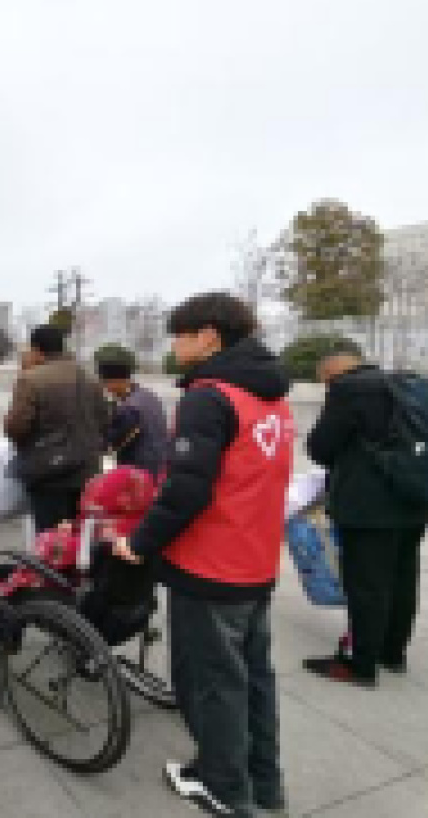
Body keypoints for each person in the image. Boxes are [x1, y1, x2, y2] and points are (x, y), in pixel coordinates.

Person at [114, 292, 293, 818]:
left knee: (212, 682)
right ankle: (264, 782)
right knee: (253, 678)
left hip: (210, 565)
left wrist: (139, 543)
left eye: (181, 334)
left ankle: (222, 786)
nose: (174, 344)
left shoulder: (208, 398)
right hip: (256, 560)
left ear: (209, 336)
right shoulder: (271, 396)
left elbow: (187, 489)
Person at [302, 341, 428, 688]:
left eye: (324, 381)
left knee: (366, 586)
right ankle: (393, 653)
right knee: (402, 580)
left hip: (368, 508)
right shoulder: (404, 384)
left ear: (331, 372)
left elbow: (321, 447)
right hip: (413, 501)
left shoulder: (348, 390)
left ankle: (360, 664)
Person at [5, 325, 109, 532]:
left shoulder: (31, 379)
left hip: (48, 474)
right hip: (87, 471)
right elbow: (104, 421)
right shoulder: (91, 378)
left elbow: (16, 426)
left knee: (51, 537)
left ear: (36, 349)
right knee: (79, 536)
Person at [95, 347, 168, 476]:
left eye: (105, 383)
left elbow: (109, 443)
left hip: (140, 473)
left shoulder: (130, 409)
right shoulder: (149, 396)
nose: (105, 389)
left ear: (116, 381)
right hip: (160, 468)